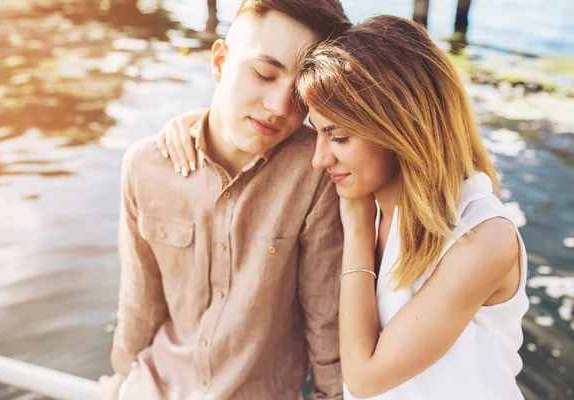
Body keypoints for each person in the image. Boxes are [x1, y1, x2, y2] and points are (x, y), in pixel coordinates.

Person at [159, 15, 529, 400]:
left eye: (338, 137)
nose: (320, 159)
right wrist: (191, 126)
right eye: (318, 131)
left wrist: (356, 231)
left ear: (399, 130)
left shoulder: (483, 238)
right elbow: (257, 140)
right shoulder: (361, 185)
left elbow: (364, 379)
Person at [99, 1, 351, 399]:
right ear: (219, 62)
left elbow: (326, 321)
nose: (280, 108)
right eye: (265, 74)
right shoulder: (145, 166)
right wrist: (120, 379)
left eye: (301, 93)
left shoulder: (316, 172)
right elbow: (138, 304)